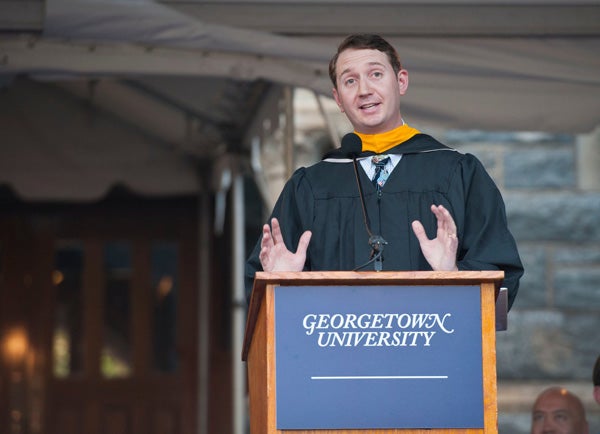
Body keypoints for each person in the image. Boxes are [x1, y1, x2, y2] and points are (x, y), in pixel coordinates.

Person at [245, 33, 524, 307]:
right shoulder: (310, 187)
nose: (364, 90)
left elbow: (500, 274)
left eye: (376, 74)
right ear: (338, 99)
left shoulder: (457, 173)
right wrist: (282, 285)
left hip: (430, 347)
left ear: (401, 81)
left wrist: (454, 275)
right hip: (339, 350)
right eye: (350, 81)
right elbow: (261, 287)